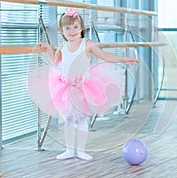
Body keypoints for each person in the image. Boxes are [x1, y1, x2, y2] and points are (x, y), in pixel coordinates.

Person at [29, 8, 139, 160]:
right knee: (68, 119)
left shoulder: (87, 44)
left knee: (81, 119)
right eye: (67, 28)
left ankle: (80, 150)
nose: (72, 31)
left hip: (84, 88)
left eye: (75, 27)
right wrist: (48, 48)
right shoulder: (63, 46)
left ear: (81, 28)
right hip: (66, 87)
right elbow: (55, 61)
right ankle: (69, 150)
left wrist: (123, 59)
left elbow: (105, 55)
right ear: (62, 31)